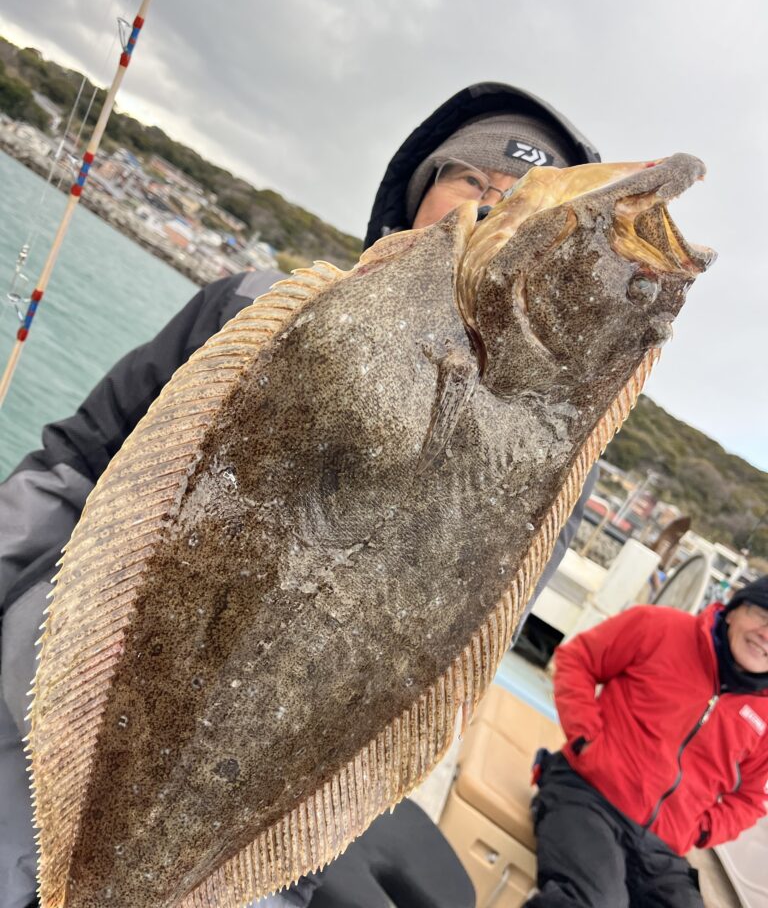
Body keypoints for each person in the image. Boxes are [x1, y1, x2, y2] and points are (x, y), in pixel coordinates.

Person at [0, 82, 600, 908]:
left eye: (528, 211)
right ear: (420, 193)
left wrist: (294, 863)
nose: (492, 213)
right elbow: (76, 462)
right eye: (473, 181)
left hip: (223, 823)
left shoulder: (544, 471)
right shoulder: (251, 306)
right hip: (38, 698)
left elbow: (436, 672)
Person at [529, 575, 768, 908]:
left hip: (661, 846)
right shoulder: (659, 627)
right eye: (762, 615)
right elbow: (579, 659)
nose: (765, 634)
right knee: (594, 902)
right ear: (733, 610)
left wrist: (700, 830)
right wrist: (586, 739)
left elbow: (750, 798)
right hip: (587, 797)